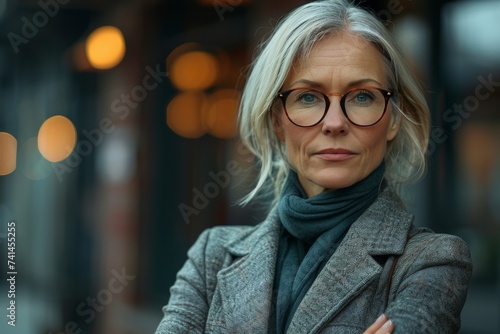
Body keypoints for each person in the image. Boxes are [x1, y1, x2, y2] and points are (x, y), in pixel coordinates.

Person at [155, 0, 472, 333]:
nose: (335, 123)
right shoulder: (211, 256)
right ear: (277, 119)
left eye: (362, 96)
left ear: (393, 118)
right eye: (307, 97)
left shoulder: (431, 262)